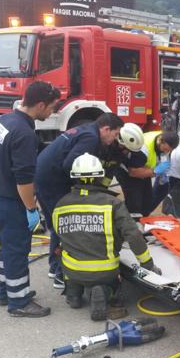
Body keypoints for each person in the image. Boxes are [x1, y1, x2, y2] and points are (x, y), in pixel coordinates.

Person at [53, 153, 161, 321]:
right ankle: (104, 291)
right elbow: (133, 235)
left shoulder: (60, 204)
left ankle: (73, 293)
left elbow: (61, 237)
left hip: (72, 269)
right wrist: (147, 264)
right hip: (104, 271)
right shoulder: (112, 203)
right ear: (100, 177)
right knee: (113, 283)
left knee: (67, 249)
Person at [0, 81, 60, 317]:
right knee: (18, 247)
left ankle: (5, 291)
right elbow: (24, 181)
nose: (53, 112)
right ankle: (19, 302)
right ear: (40, 104)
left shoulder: (4, 120)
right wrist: (31, 209)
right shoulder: (24, 133)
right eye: (52, 107)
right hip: (12, 198)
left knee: (8, 244)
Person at [35, 113, 129, 290]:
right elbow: (70, 165)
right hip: (53, 181)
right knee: (65, 223)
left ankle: (54, 266)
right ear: (106, 129)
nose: (115, 139)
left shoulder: (85, 129)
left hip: (43, 176)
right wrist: (81, 193)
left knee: (56, 224)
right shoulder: (91, 139)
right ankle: (61, 275)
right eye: (115, 134)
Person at [110, 130, 178, 216]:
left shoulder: (163, 139)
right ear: (161, 141)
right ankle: (127, 221)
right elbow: (133, 172)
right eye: (165, 149)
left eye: (168, 151)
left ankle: (142, 219)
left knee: (146, 203)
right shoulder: (144, 148)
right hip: (127, 172)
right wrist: (155, 171)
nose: (166, 152)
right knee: (134, 204)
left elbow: (159, 158)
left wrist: (161, 172)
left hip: (144, 168)